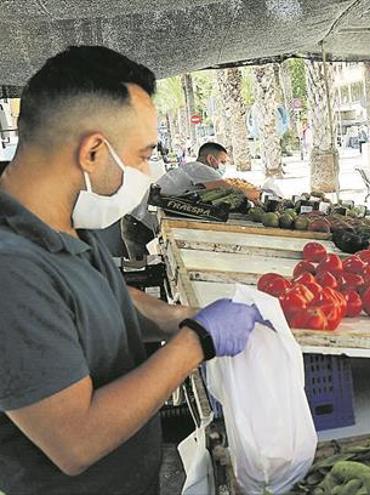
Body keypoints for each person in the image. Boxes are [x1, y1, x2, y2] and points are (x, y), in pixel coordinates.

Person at [0, 45, 267, 494]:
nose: (147, 171)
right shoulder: (11, 271)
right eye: (142, 155)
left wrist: (172, 316)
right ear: (92, 152)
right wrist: (195, 342)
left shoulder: (61, 220)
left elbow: (96, 295)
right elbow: (75, 441)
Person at [155, 141, 259, 202]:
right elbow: (227, 187)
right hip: (147, 220)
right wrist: (252, 192)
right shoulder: (201, 168)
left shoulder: (191, 167)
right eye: (222, 162)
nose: (223, 166)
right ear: (210, 159)